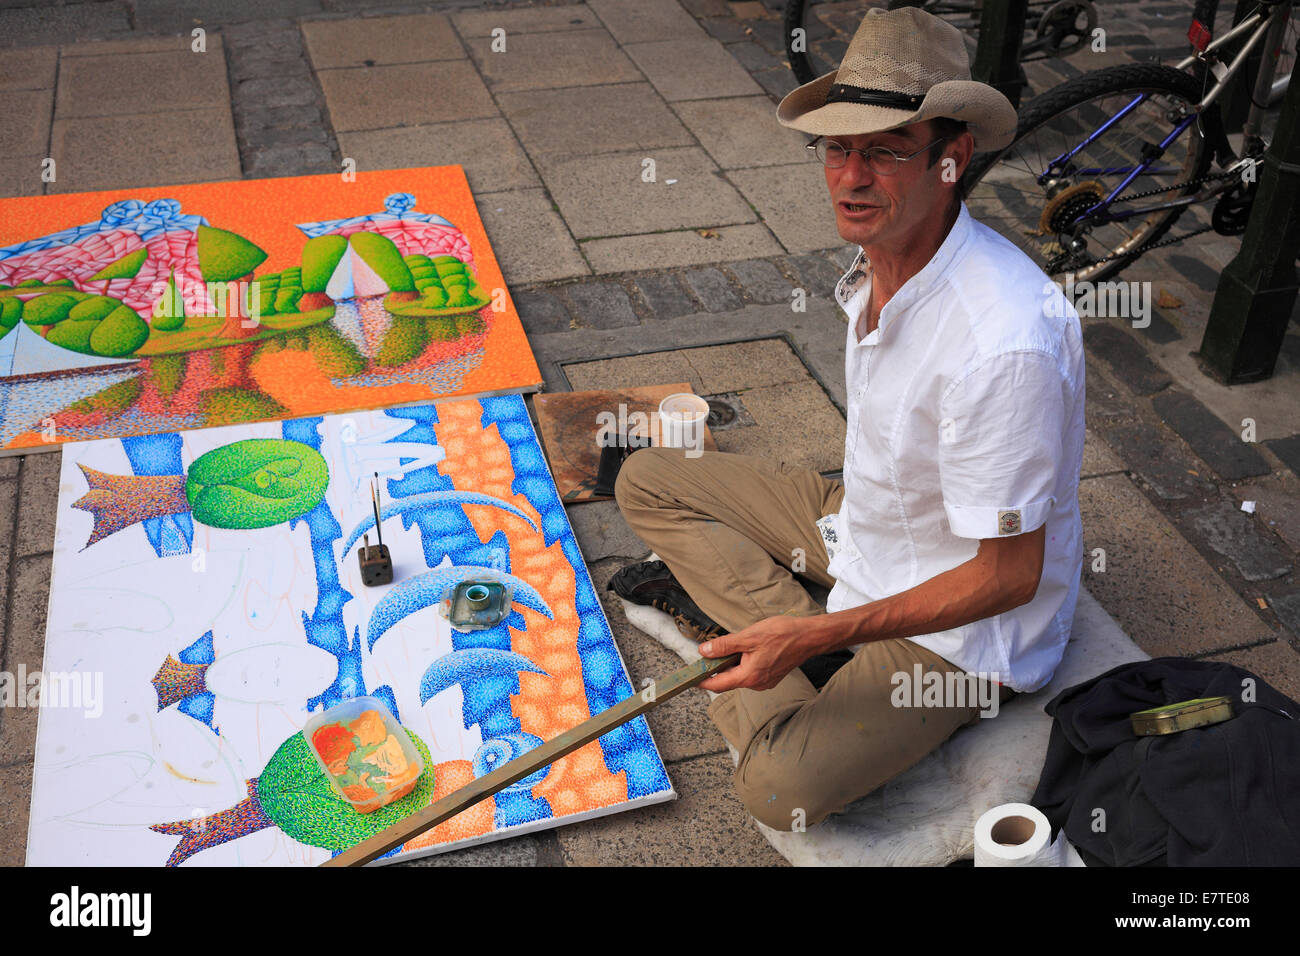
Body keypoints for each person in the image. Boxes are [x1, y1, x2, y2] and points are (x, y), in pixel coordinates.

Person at [609, 5, 1086, 832]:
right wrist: (805, 621)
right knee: (646, 475)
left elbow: (1008, 577)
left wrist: (819, 634)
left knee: (776, 792)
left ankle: (782, 641)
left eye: (887, 153)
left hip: (963, 630)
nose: (851, 178)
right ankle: (782, 629)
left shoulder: (1003, 342)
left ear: (951, 160)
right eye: (839, 149)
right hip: (867, 528)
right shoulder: (881, 263)